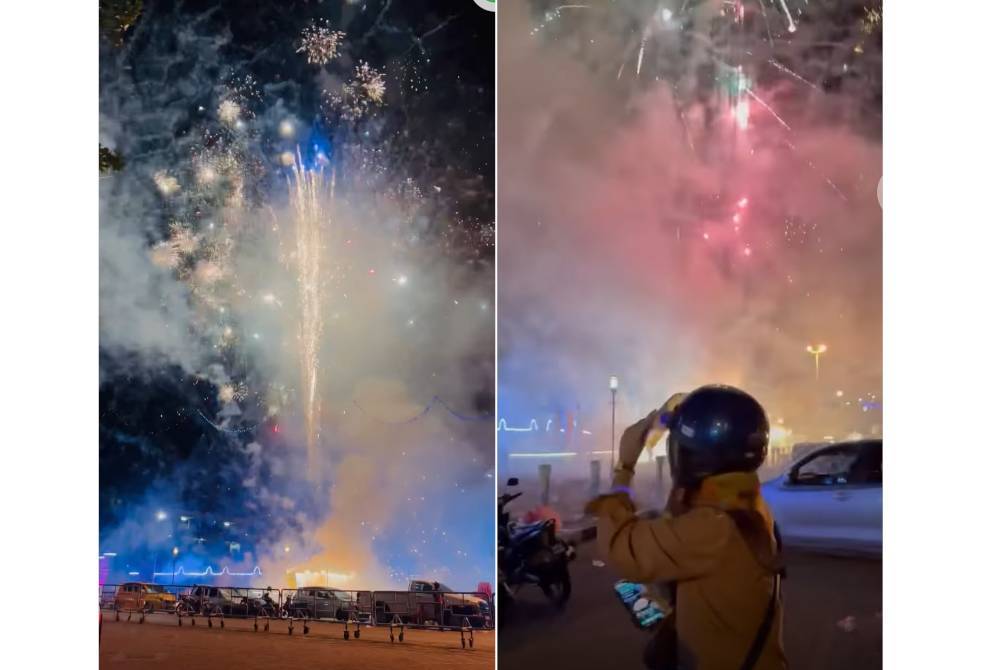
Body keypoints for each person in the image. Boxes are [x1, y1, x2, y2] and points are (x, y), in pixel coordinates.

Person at [586, 385, 787, 670]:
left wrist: (624, 467)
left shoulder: (712, 528)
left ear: (693, 457)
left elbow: (620, 546)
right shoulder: (742, 503)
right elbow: (680, 518)